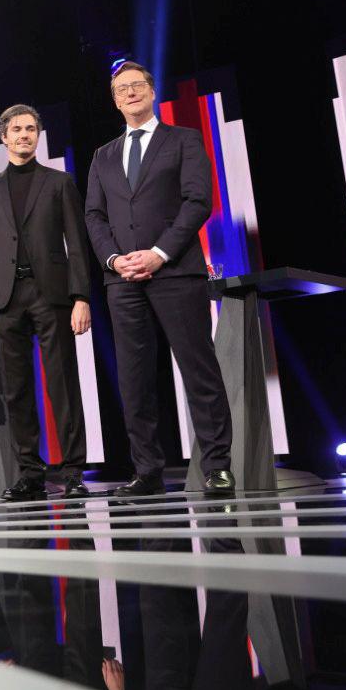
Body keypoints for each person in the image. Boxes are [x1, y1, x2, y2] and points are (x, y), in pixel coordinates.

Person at [84, 62, 234, 497]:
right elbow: (93, 215)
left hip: (175, 271)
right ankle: (147, 471)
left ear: (152, 92)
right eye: (121, 89)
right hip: (123, 281)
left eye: (137, 86)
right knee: (134, 379)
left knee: (198, 370)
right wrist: (114, 260)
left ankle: (217, 467)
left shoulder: (184, 140)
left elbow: (197, 201)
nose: (130, 93)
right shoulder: (103, 155)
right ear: (115, 101)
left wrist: (158, 253)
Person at [0, 105, 93, 501]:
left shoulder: (59, 182)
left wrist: (81, 296)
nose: (24, 135)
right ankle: (29, 472)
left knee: (63, 384)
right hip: (4, 298)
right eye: (17, 129)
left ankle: (72, 470)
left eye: (30, 129)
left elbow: (77, 244)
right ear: (4, 137)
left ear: (38, 135)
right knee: (16, 388)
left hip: (51, 293)